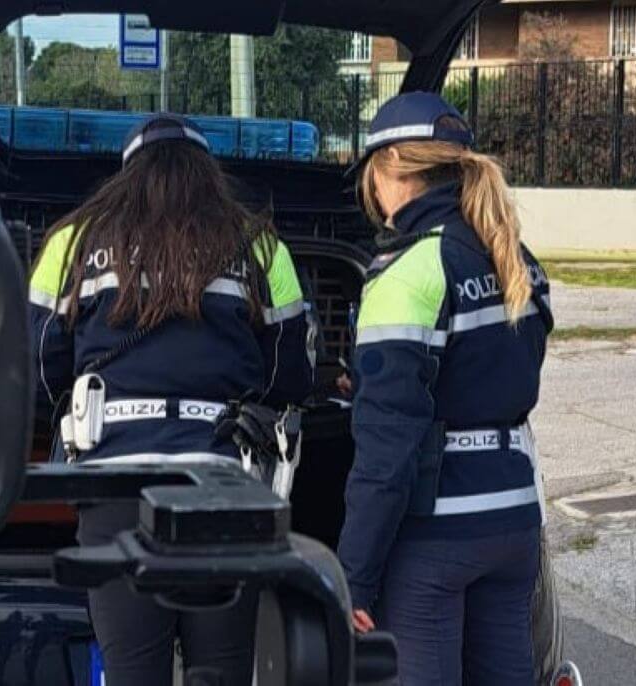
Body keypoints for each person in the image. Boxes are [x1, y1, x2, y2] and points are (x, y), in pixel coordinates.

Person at [28, 114, 314, 685]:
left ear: (126, 174)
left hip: (112, 484)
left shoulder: (73, 241)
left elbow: (38, 365)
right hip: (223, 488)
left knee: (133, 671)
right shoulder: (259, 245)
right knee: (223, 669)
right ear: (208, 175)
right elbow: (292, 374)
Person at [337, 92, 553, 685]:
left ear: (388, 172)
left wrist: (353, 576)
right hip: (513, 520)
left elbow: (388, 453)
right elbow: (496, 374)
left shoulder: (411, 269)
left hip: (439, 536)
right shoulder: (516, 258)